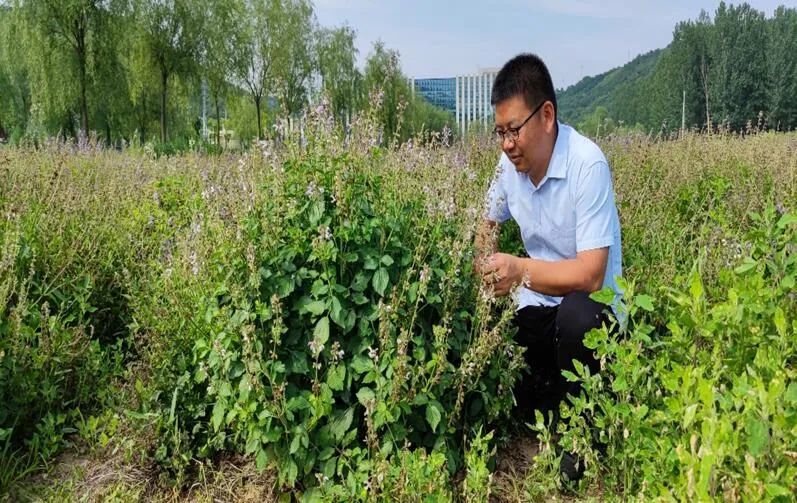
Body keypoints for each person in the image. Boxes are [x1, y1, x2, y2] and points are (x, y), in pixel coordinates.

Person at [474, 53, 623, 483]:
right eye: (500, 133)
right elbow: (486, 225)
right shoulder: (508, 168)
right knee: (503, 344)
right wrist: (484, 266)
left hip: (591, 311)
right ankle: (550, 399)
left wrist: (519, 270)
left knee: (578, 315)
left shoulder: (586, 164)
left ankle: (584, 434)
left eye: (514, 130)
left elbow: (591, 275)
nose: (507, 144)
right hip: (538, 306)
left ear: (547, 116)